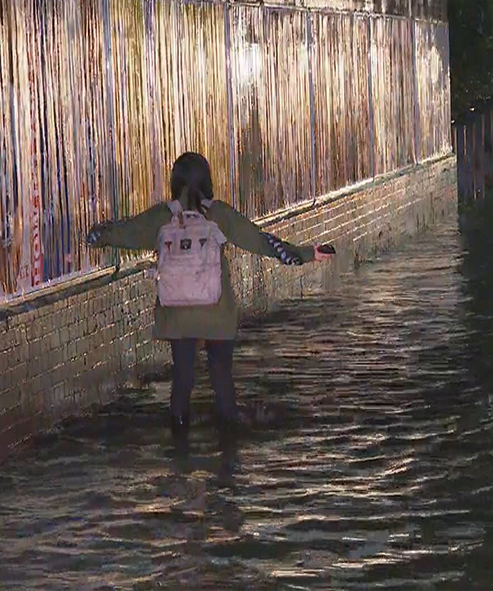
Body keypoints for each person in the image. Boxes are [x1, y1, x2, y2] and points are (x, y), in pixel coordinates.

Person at [86, 152, 334, 432]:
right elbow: (261, 241)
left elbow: (126, 233)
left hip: (176, 312)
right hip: (216, 310)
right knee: (221, 376)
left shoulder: (163, 217)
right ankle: (229, 445)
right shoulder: (219, 214)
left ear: (175, 181)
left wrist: (98, 235)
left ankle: (179, 443)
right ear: (206, 180)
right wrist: (305, 254)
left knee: (182, 378)